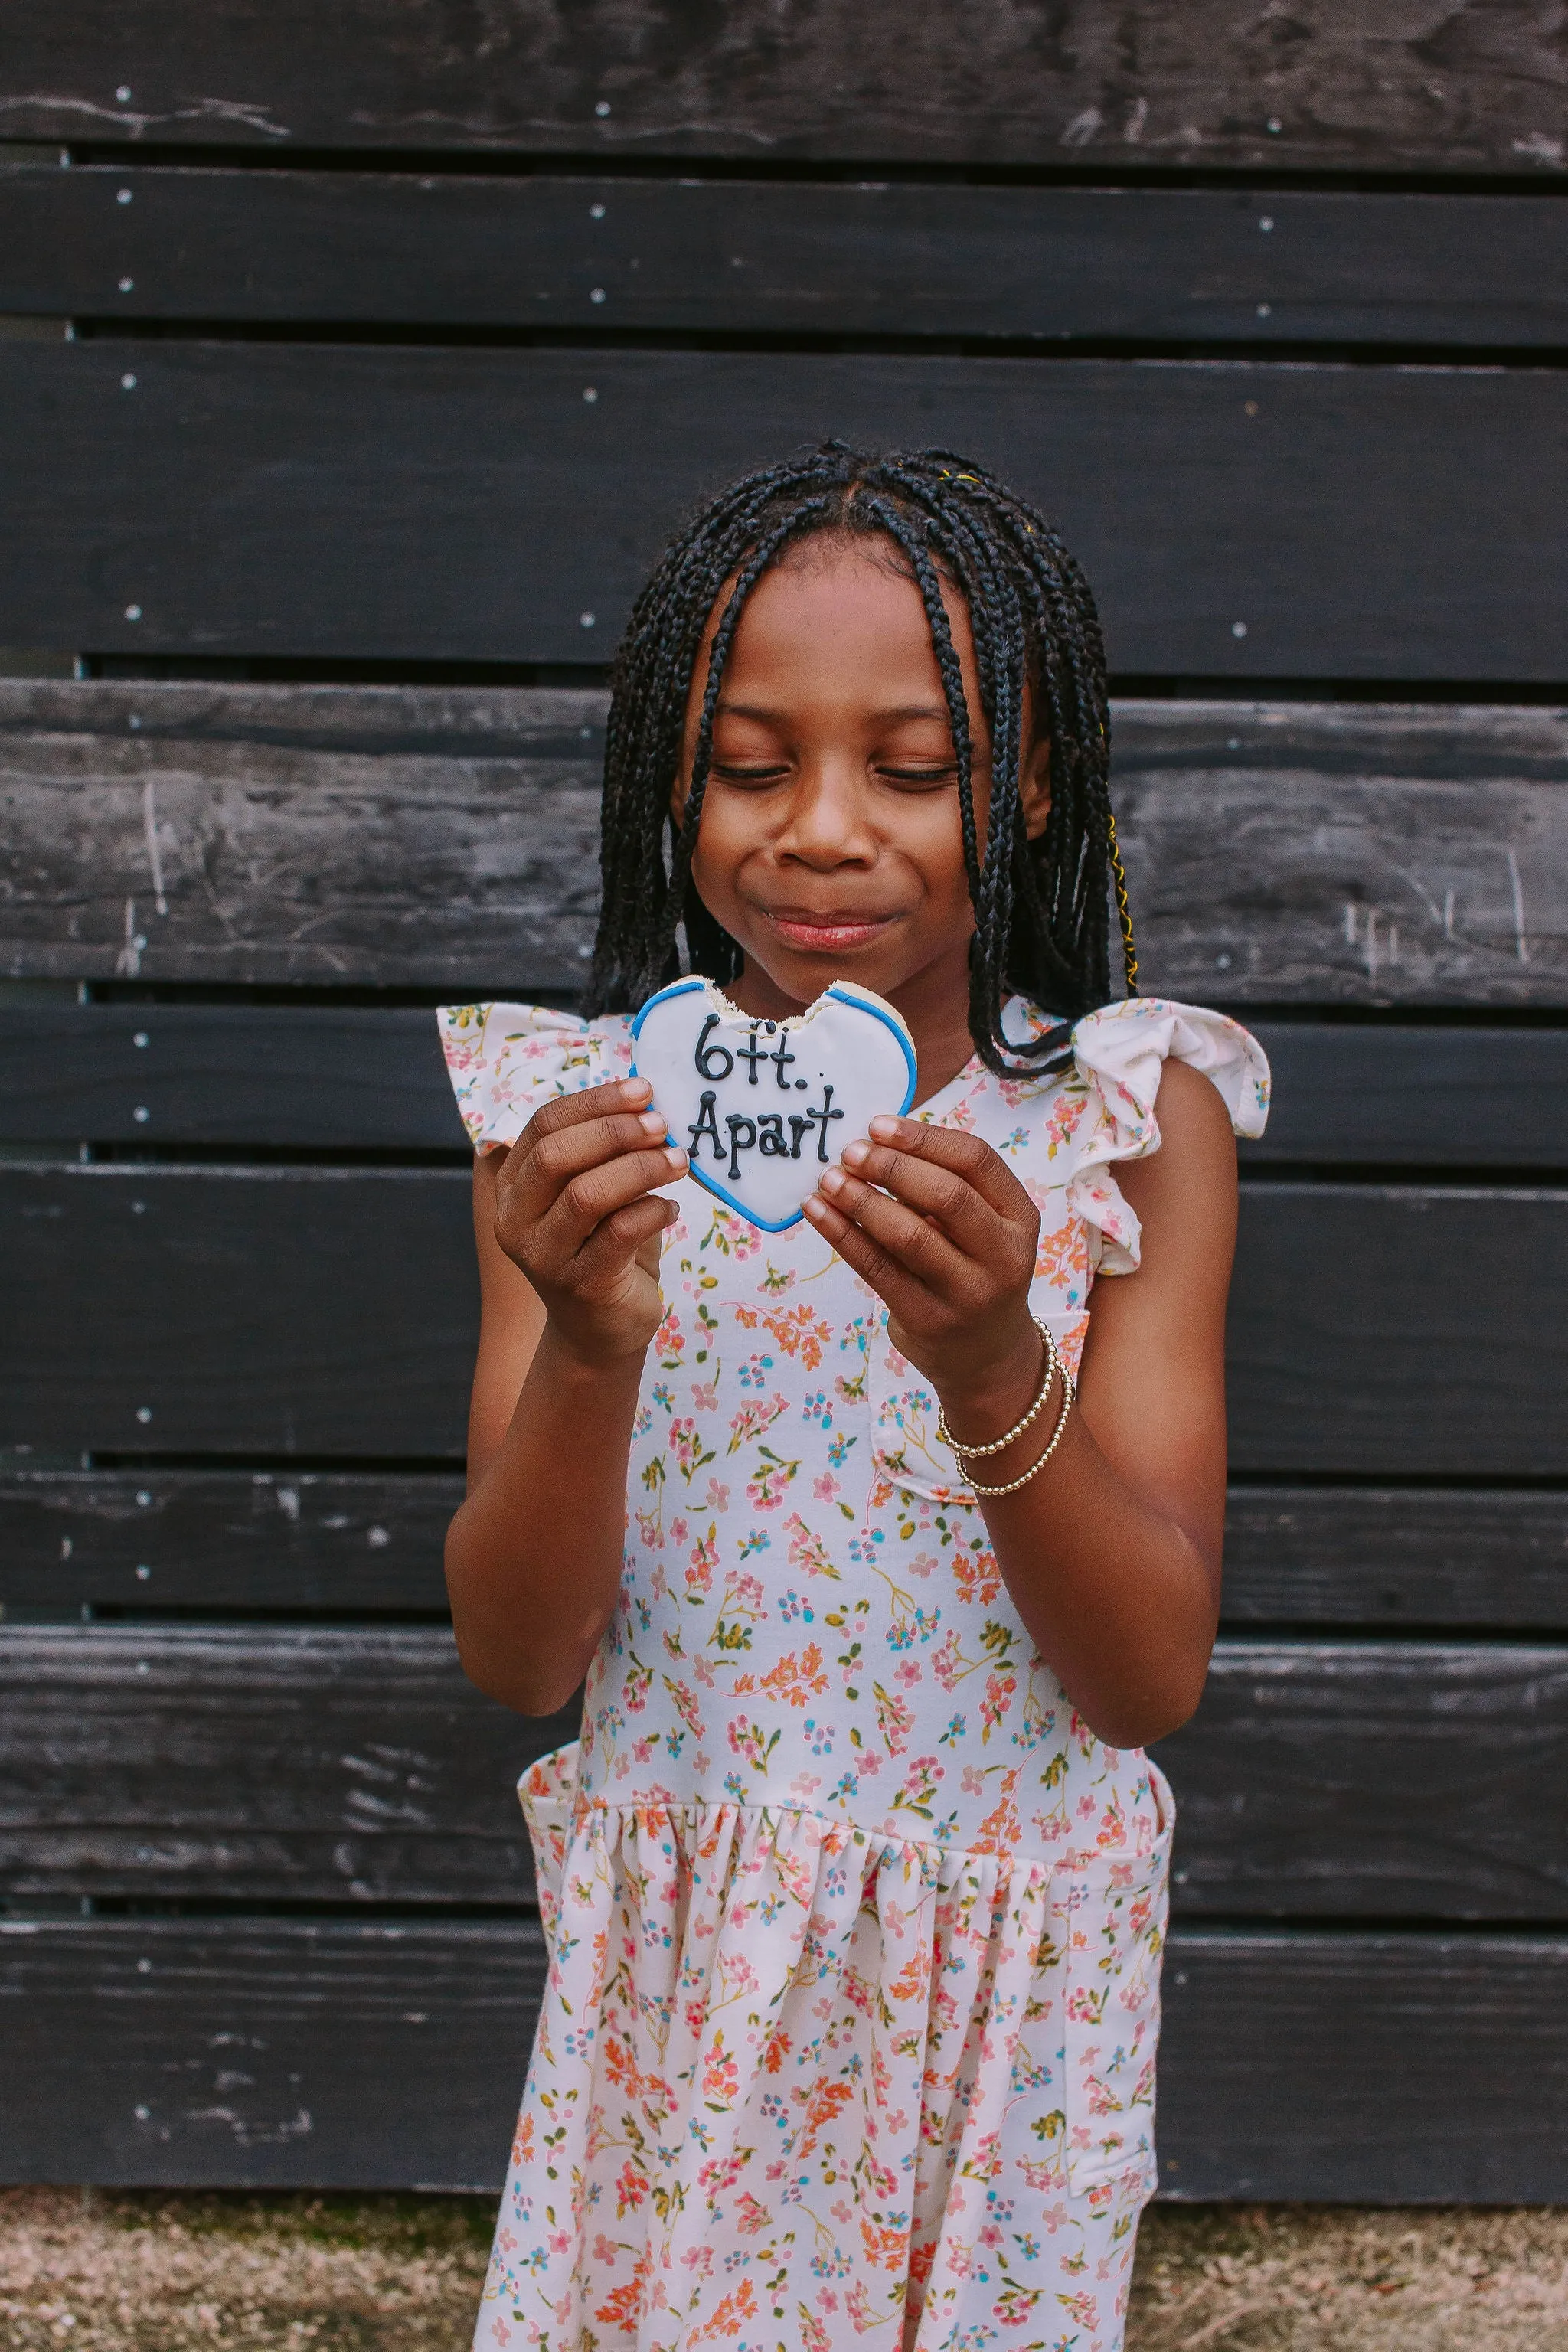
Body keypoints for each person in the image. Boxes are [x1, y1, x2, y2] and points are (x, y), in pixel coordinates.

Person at [438, 444, 1269, 2352]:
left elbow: (1144, 1682)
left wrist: (990, 1361)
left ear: (1033, 783)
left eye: (915, 768)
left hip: (998, 1998)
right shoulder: (572, 1132)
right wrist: (587, 1338)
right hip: (687, 1983)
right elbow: (520, 1651)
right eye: (751, 764)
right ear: (672, 771)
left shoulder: (1128, 1136)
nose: (823, 830)